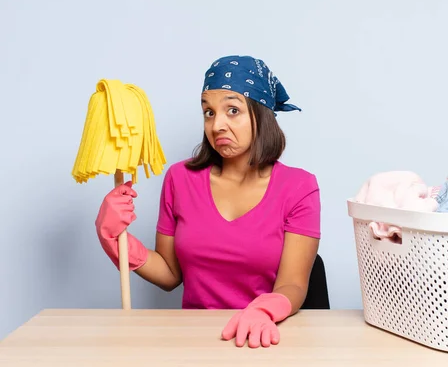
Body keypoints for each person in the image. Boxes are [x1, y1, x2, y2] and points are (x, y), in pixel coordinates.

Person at [94, 55, 321, 348]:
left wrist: (264, 310)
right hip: (194, 342)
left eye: (232, 110)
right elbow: (169, 274)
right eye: (209, 112)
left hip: (264, 340)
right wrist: (113, 238)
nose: (217, 126)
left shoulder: (299, 187)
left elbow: (293, 284)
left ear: (261, 113)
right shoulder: (180, 179)